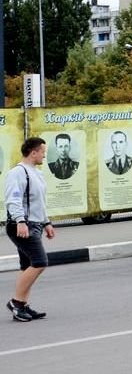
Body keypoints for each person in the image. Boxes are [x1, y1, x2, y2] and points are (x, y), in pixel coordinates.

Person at [5, 137, 54, 322]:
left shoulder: (36, 173)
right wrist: (20, 221)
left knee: (27, 265)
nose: (44, 155)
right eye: (42, 151)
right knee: (40, 261)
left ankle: (23, 305)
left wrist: (46, 223)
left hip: (34, 224)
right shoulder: (18, 173)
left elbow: (39, 203)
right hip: (21, 224)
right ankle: (16, 303)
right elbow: (13, 199)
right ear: (33, 152)